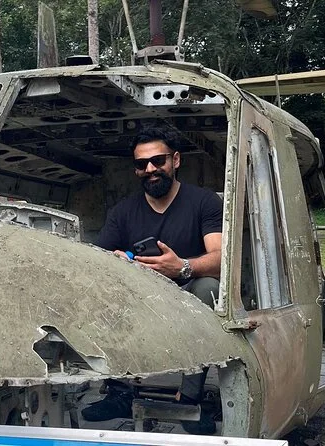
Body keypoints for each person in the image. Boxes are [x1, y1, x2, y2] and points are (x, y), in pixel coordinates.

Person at [82, 127, 222, 434]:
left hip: (188, 294)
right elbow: (95, 260)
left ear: (175, 160)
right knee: (101, 289)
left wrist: (182, 267)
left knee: (209, 287)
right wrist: (119, 263)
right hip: (140, 297)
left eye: (158, 161)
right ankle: (118, 392)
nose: (150, 169)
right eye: (141, 164)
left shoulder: (204, 202)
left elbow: (221, 258)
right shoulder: (123, 212)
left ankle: (189, 398)